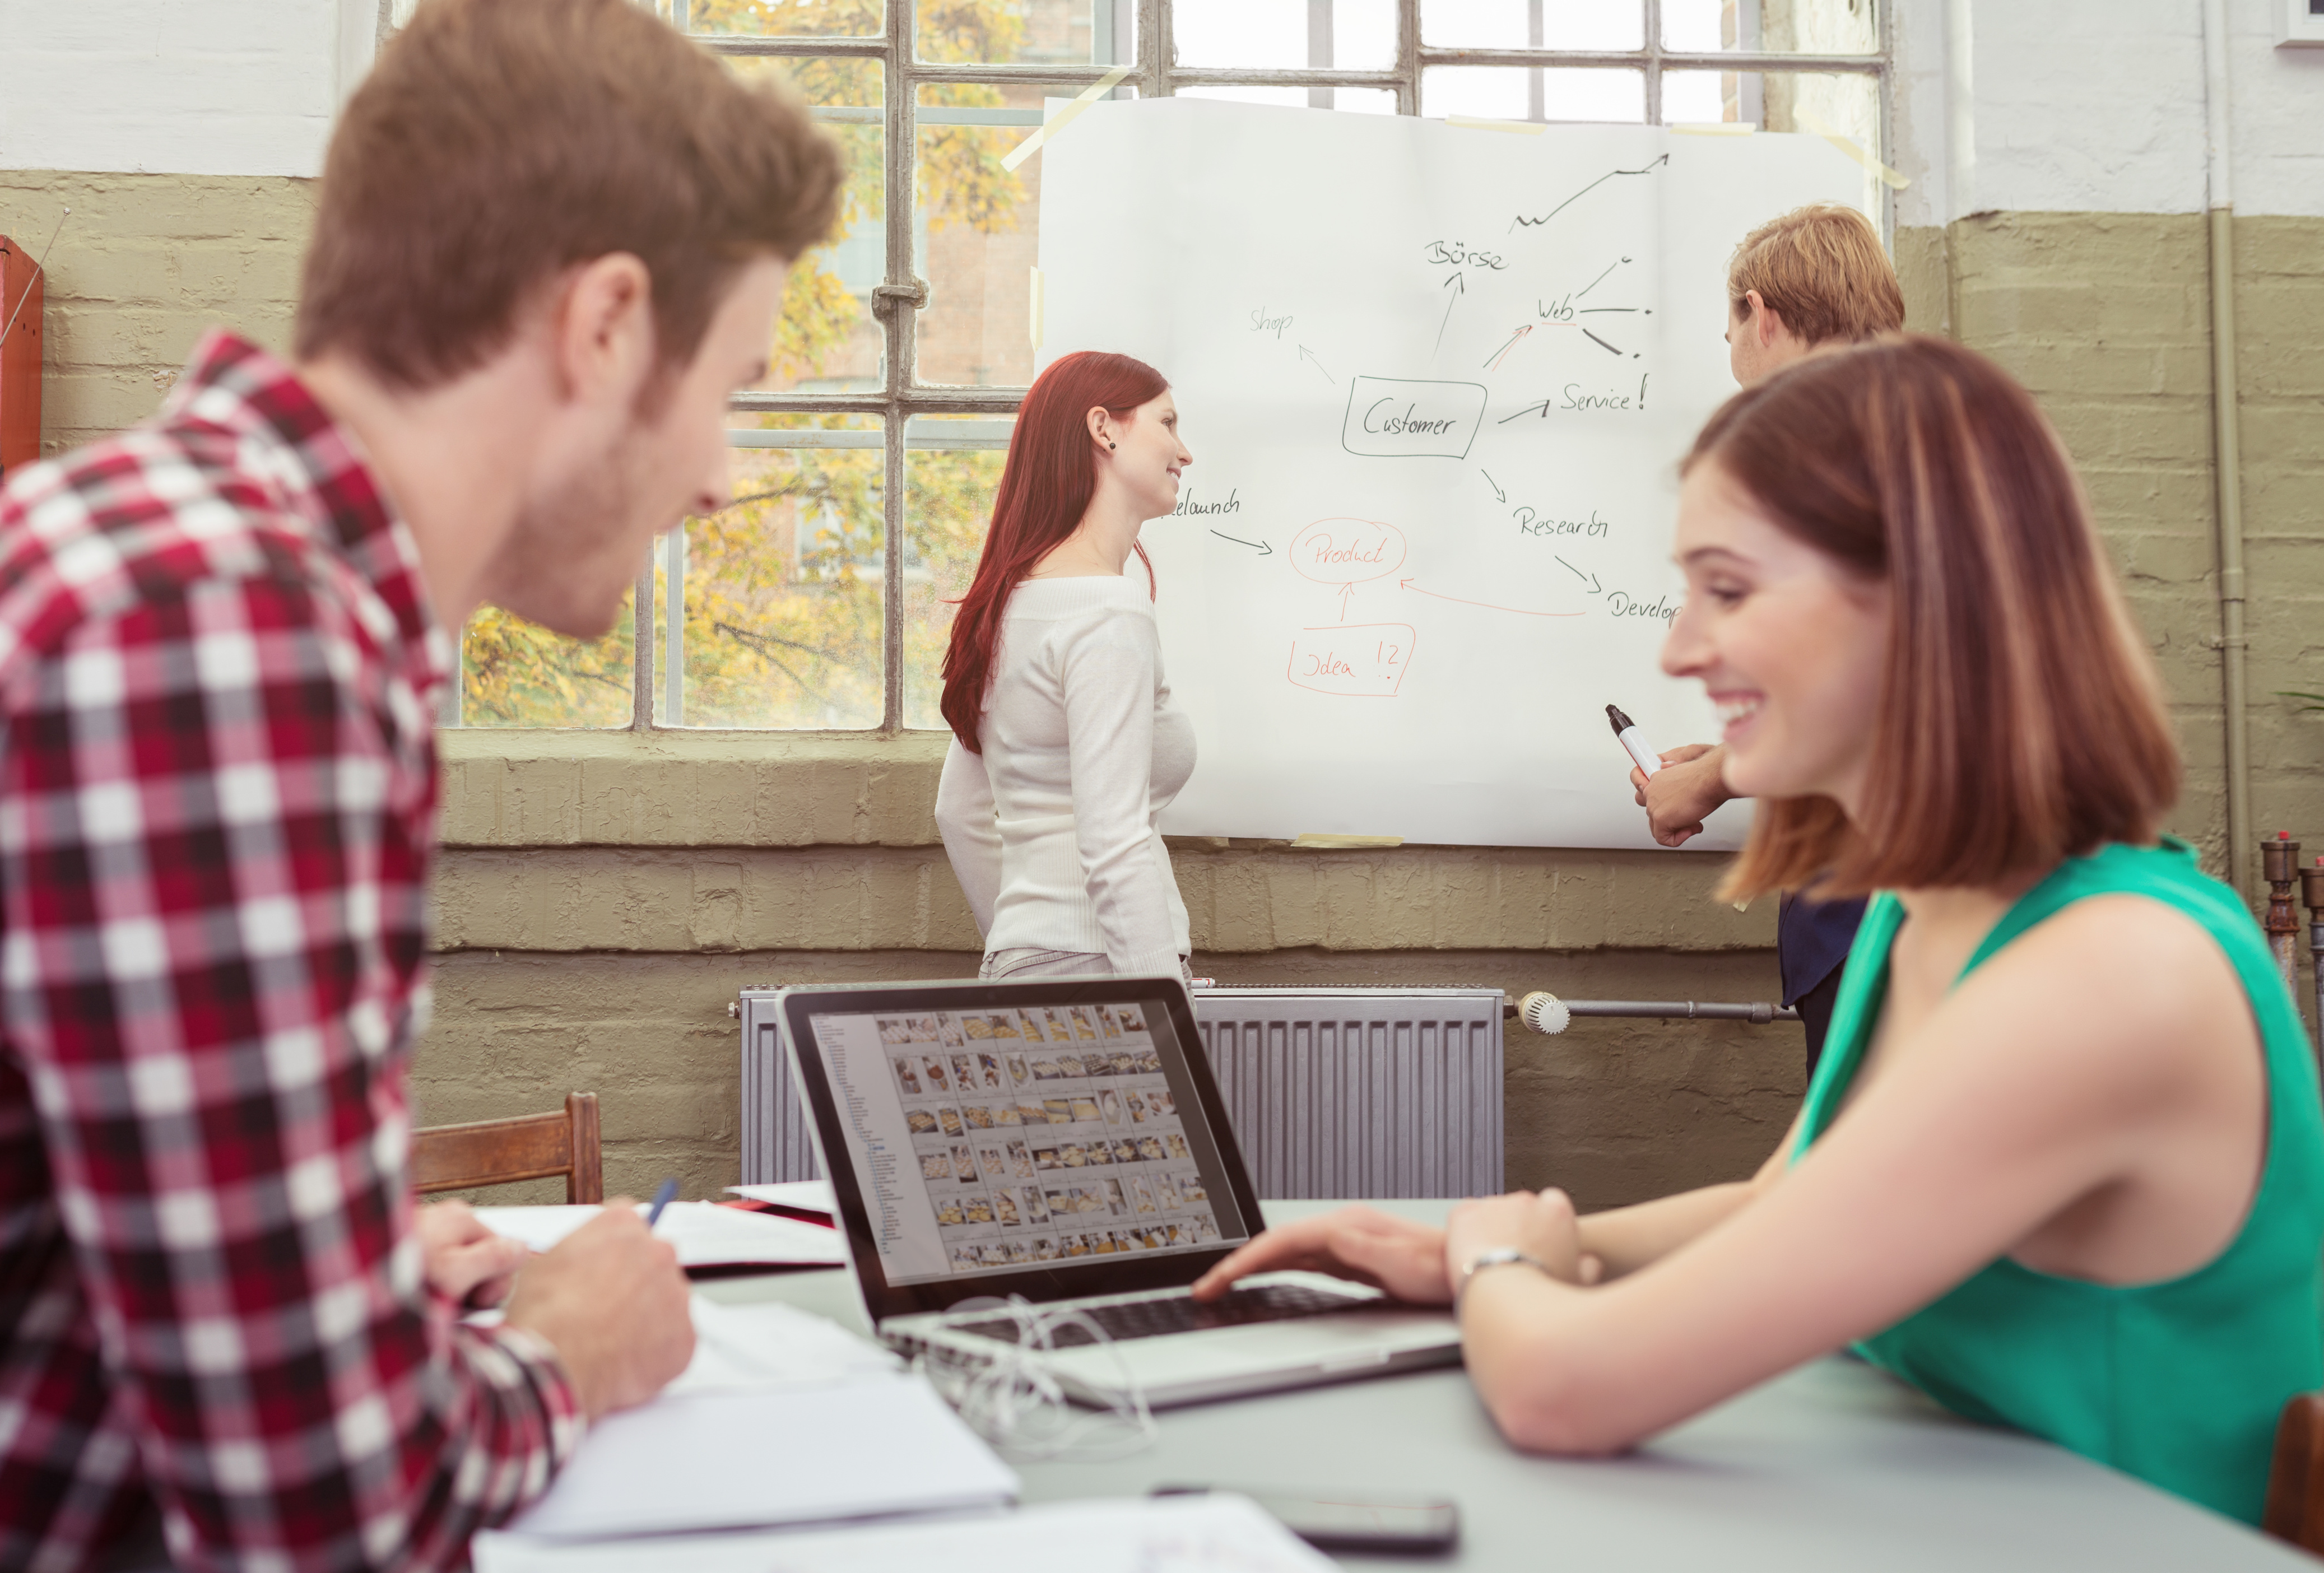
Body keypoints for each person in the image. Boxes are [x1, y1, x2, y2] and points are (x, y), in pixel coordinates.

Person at [0, 1, 842, 1566]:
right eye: (737, 380)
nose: (721, 472)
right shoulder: (224, 641)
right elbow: (334, 1520)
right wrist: (568, 1344)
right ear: (607, 326)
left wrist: (345, 1290)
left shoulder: (187, 564)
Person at [1198, 335, 2324, 1527]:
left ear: (1920, 600)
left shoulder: (2110, 975)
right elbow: (1799, 1196)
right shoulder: (1916, 903)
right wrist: (1530, 1251)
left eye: (1726, 590)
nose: (1679, 648)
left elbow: (1563, 1390)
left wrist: (1495, 1262)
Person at [1634, 203, 1906, 1074]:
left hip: (1882, 909)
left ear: (1765, 314)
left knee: (1877, 1191)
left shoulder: (1827, 458)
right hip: (1950, 896)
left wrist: (1708, 783)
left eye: (1729, 333)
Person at [935, 352, 1197, 983]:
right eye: (1167, 424)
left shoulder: (1009, 604)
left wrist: (1026, 942)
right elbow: (1114, 840)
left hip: (1023, 964)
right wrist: (1168, 1016)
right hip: (1102, 972)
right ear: (1103, 429)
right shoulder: (1107, 610)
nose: (1183, 452)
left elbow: (957, 812)